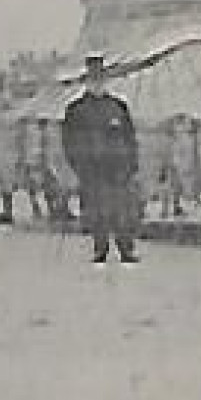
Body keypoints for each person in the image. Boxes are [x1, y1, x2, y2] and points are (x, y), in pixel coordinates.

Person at [62, 53, 142, 265]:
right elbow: (69, 141)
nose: (97, 82)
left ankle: (126, 249)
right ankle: (100, 249)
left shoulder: (118, 106)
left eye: (101, 77)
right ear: (86, 80)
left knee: (123, 211)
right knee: (96, 211)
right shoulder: (76, 110)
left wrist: (132, 162)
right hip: (92, 170)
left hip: (118, 169)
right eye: (93, 77)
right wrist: (79, 165)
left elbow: (129, 136)